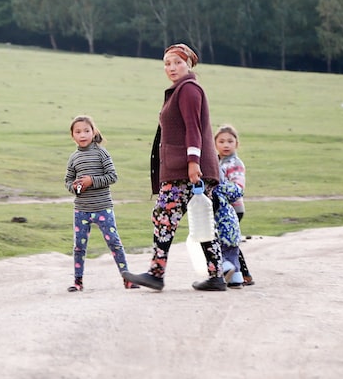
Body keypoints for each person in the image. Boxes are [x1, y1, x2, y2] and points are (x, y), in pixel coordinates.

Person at [122, 43, 228, 291]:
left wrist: (192, 163)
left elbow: (194, 129)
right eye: (167, 63)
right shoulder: (181, 89)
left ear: (189, 64)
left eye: (177, 62)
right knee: (201, 220)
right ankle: (216, 276)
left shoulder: (188, 89)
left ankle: (156, 273)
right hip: (186, 168)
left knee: (163, 216)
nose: (171, 68)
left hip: (186, 169)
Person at [64, 115, 138, 292]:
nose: (83, 135)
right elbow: (67, 181)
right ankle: (78, 282)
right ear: (72, 136)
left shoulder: (101, 153)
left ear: (93, 132)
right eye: (78, 132)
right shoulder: (73, 158)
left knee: (114, 242)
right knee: (79, 246)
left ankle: (127, 278)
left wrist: (92, 181)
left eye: (86, 131)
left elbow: (113, 176)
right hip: (81, 210)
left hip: (103, 207)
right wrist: (75, 187)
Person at [215, 124, 255, 286]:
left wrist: (216, 188)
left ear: (236, 144)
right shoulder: (219, 161)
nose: (226, 145)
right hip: (222, 207)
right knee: (230, 241)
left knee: (227, 242)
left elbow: (238, 187)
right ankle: (241, 275)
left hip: (233, 208)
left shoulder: (234, 164)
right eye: (222, 141)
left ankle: (236, 273)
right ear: (215, 144)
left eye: (230, 141)